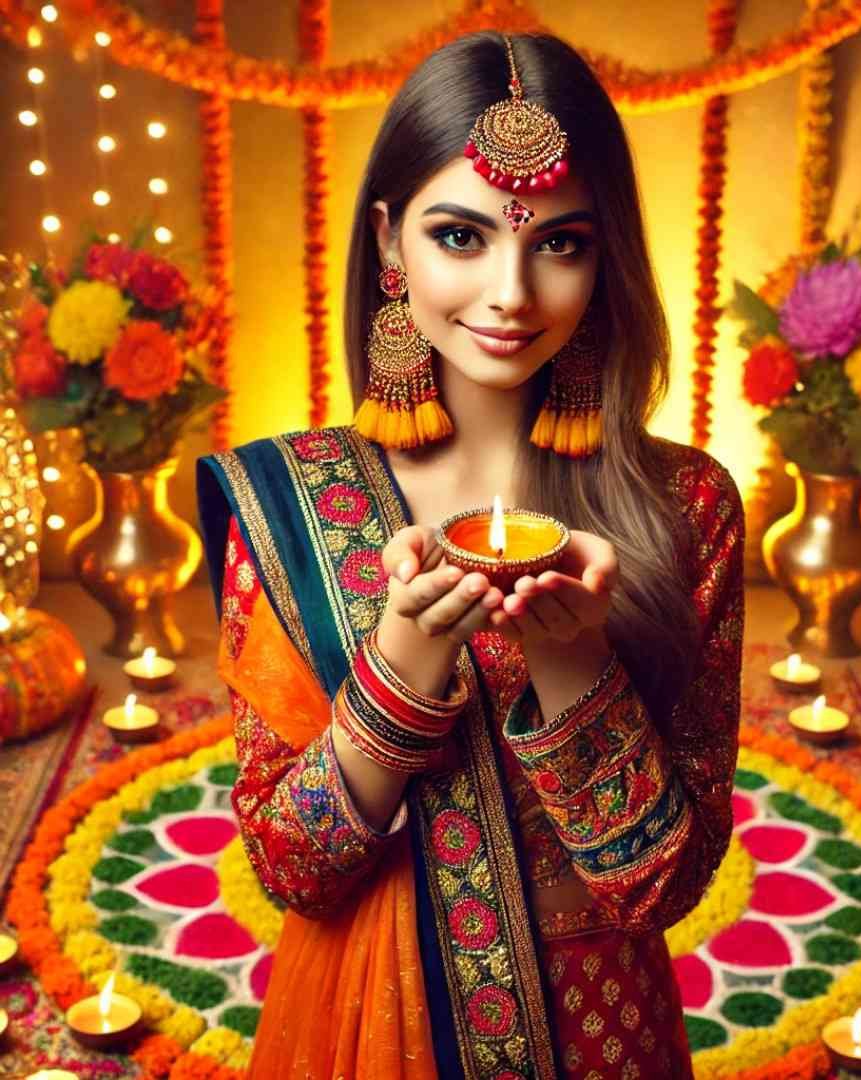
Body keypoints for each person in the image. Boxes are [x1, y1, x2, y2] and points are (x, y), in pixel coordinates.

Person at [197, 29, 745, 1080]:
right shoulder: (294, 506)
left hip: (602, 1028)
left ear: (606, 252)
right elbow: (290, 869)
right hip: (369, 1017)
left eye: (560, 244)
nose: (510, 294)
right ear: (390, 242)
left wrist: (575, 661)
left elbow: (666, 888)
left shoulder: (683, 508)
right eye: (462, 236)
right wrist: (400, 668)